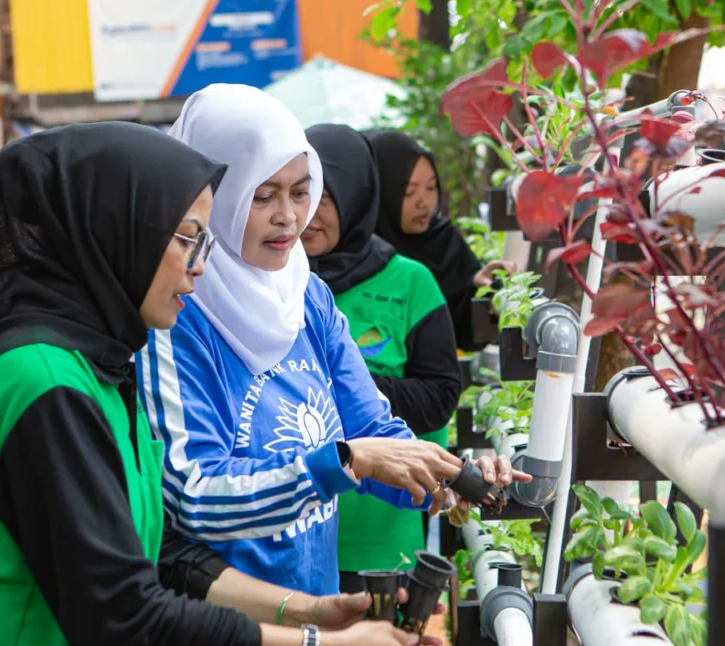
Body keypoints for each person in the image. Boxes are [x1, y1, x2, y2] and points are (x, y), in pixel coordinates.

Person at [0, 121, 437, 646]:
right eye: (186, 237)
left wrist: (307, 612)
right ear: (114, 232)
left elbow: (166, 554)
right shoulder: (42, 384)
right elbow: (124, 614)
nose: (200, 263)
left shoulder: (93, 366)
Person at [138, 84, 525, 611]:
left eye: (301, 192)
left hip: (316, 616)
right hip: (227, 632)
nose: (288, 217)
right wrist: (345, 462)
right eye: (263, 194)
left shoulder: (306, 295)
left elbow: (372, 429)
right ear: (214, 196)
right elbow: (194, 497)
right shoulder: (176, 313)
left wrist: (456, 476)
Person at [299, 124, 462, 593]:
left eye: (325, 195)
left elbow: (438, 396)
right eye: (298, 193)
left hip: (379, 542)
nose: (308, 212)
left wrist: (334, 389)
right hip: (290, 537)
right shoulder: (267, 285)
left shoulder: (411, 283)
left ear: (357, 194)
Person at [364, 130, 517, 352]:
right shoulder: (358, 254)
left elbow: (468, 338)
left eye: (431, 187)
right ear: (380, 191)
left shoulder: (445, 242)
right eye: (409, 192)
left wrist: (476, 288)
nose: (424, 203)